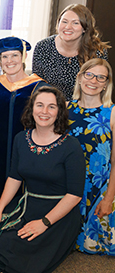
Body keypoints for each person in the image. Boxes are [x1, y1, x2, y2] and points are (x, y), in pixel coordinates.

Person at [0, 86, 85, 273]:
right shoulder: (21, 139)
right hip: (27, 204)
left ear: (59, 112)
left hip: (58, 214)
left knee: (14, 247)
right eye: (39, 105)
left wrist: (44, 223)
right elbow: (14, 178)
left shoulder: (71, 146)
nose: (44, 112)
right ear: (32, 109)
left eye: (51, 107)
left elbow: (74, 195)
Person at [0, 37, 47, 212]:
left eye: (14, 56)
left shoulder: (39, 88)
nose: (9, 61)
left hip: (28, 155)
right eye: (5, 57)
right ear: (0, 60)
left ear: (23, 57)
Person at [68, 58, 115, 254]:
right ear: (80, 78)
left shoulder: (111, 113)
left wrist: (109, 198)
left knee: (95, 247)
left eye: (100, 77)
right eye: (89, 75)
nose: (93, 81)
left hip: (100, 188)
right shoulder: (64, 109)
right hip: (68, 185)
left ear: (106, 84)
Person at [32, 4, 110, 101]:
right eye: (64, 22)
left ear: (85, 28)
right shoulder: (43, 47)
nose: (68, 27)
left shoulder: (97, 52)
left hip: (83, 107)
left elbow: (99, 86)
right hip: (51, 106)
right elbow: (37, 85)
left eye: (75, 23)